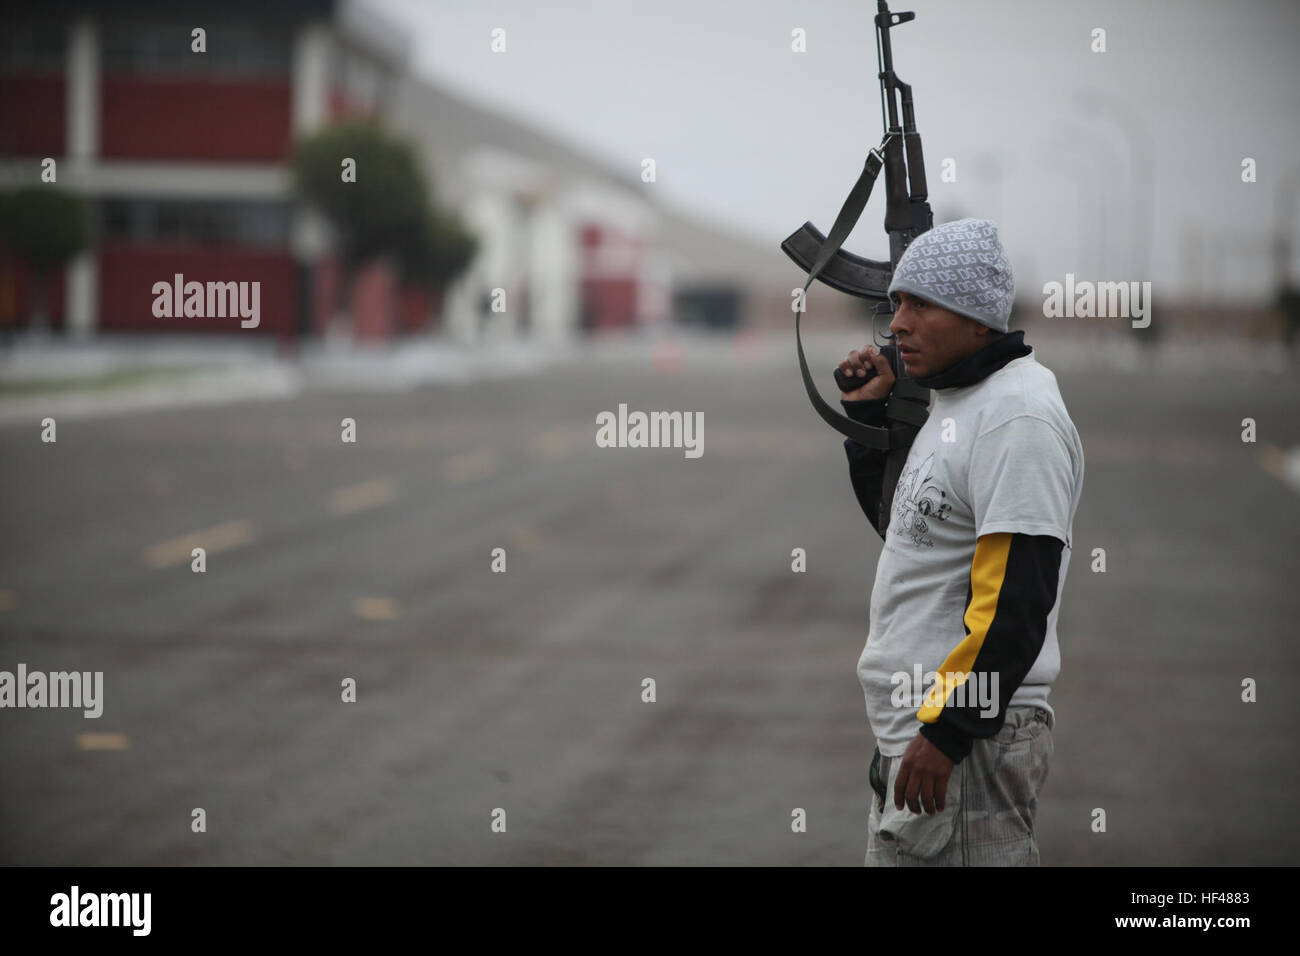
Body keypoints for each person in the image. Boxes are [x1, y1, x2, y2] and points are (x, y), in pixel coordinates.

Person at [837, 218, 1084, 866]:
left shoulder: (1016, 417)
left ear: (977, 317)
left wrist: (948, 734)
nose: (897, 325)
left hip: (965, 744)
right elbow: (910, 534)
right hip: (925, 738)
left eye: (920, 304)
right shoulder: (961, 403)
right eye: (896, 304)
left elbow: (1017, 602)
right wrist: (869, 423)